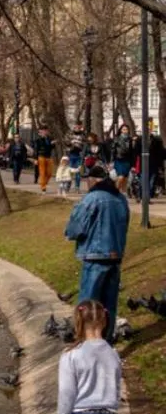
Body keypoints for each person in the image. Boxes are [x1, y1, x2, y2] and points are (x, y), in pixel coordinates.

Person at [64, 164, 130, 343]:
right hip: (115, 256)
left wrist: (71, 234)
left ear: (93, 180)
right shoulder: (121, 199)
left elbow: (75, 229)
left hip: (95, 255)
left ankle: (85, 342)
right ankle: (106, 342)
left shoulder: (91, 199)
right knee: (109, 305)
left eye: (87, 179)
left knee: (88, 303)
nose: (86, 182)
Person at [111, 125, 135, 193]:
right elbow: (113, 150)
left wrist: (133, 164)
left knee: (125, 178)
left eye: (126, 129)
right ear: (121, 130)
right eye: (124, 129)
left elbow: (132, 152)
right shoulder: (117, 139)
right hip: (119, 160)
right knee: (120, 177)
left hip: (127, 161)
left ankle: (123, 194)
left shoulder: (130, 140)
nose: (125, 131)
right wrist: (111, 161)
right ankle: (115, 192)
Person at [34, 126, 55, 192]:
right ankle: (43, 187)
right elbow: (36, 150)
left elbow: (51, 147)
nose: (45, 132)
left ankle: (43, 183)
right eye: (43, 131)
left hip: (48, 157)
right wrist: (35, 159)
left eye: (46, 131)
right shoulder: (38, 139)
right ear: (41, 131)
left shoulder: (50, 138)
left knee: (49, 173)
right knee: (42, 172)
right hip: (41, 156)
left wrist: (53, 144)